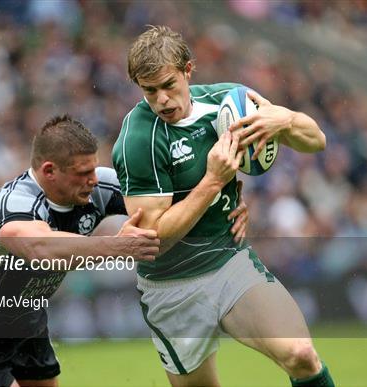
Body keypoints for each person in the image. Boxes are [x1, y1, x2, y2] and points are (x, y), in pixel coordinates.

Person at [112, 26, 335, 387]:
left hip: (228, 262)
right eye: (149, 91)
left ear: (188, 69)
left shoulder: (228, 102)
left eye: (169, 84)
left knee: (300, 355)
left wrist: (286, 120)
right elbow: (151, 240)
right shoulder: (138, 139)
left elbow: (317, 141)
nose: (163, 100)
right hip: (171, 287)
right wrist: (213, 182)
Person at [0, 115, 161, 387]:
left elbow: (156, 201)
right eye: (83, 173)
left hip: (26, 325)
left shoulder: (97, 186)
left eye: (93, 169)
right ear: (49, 171)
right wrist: (119, 246)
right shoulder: (14, 205)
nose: (93, 180)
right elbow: (43, 250)